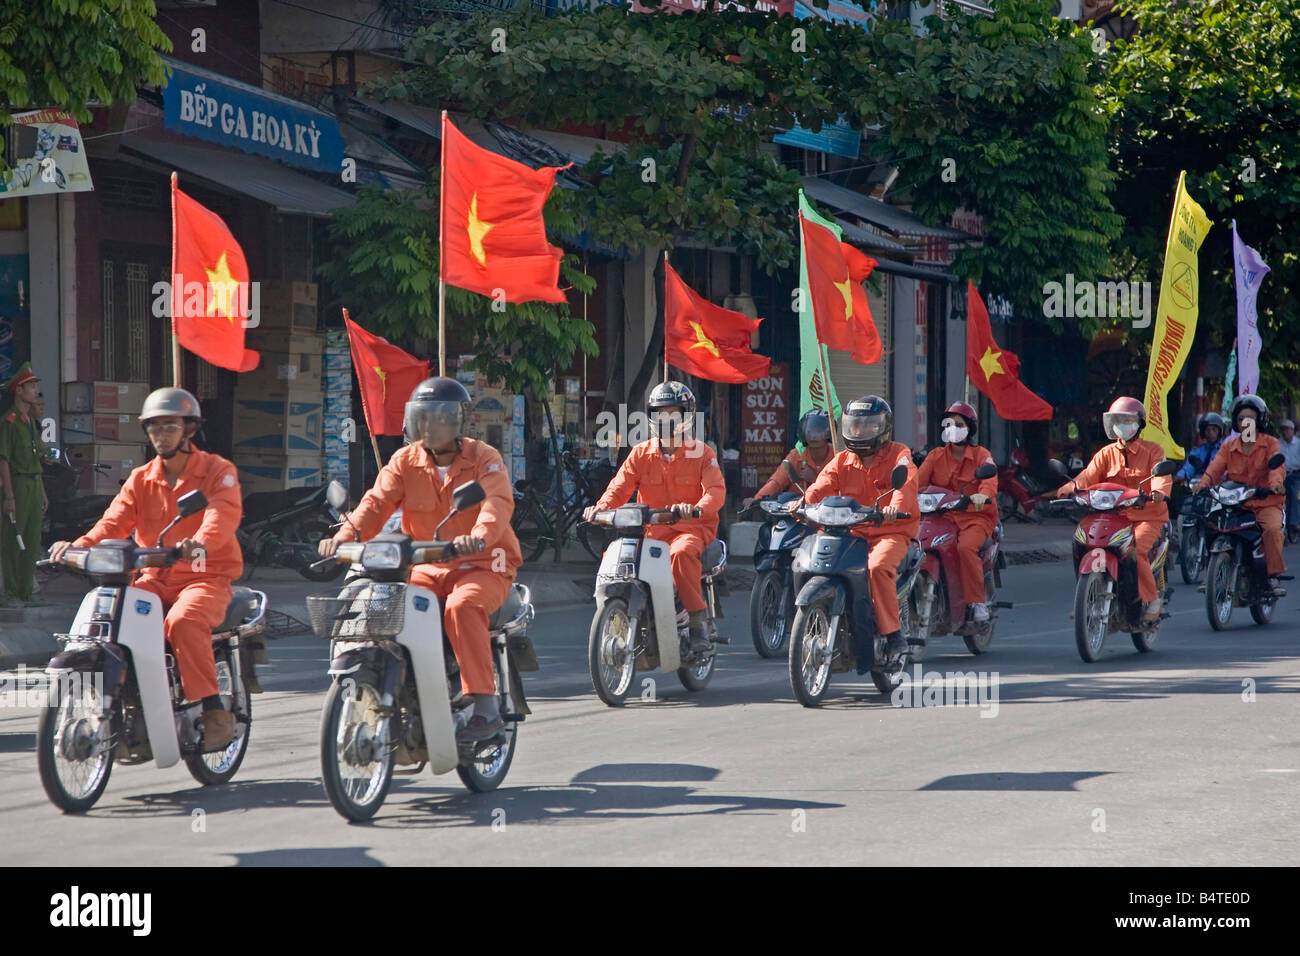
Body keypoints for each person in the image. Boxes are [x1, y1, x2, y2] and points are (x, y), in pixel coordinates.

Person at [318, 377, 522, 742]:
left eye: (440, 417)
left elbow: (497, 504)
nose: (430, 425)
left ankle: (484, 704)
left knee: (461, 606)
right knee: (392, 607)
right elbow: (376, 503)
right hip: (428, 564)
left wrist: (477, 537)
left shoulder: (484, 458)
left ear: (458, 421)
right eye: (423, 417)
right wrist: (343, 536)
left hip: (484, 563)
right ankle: (412, 685)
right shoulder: (404, 460)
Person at [48, 388, 243, 752]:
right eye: (154, 427)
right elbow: (112, 524)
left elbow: (222, 515)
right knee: (114, 617)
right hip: (153, 576)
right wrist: (78, 546)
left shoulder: (218, 471)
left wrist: (198, 541)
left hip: (205, 575)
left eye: (170, 426)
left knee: (183, 622)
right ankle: (130, 695)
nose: (161, 435)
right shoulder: (141, 478)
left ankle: (214, 710)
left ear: (189, 429)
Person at [585, 381, 726, 655]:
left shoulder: (703, 453)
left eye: (673, 414)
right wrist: (600, 509)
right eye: (660, 414)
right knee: (616, 557)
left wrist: (696, 507)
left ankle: (697, 623)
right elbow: (619, 488)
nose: (667, 420)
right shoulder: (641, 453)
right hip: (651, 531)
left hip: (692, 529)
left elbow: (716, 492)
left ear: (686, 417)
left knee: (681, 554)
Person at [799, 395, 919, 664]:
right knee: (810, 560)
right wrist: (804, 503)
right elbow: (822, 484)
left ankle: (892, 634)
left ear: (883, 428)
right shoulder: (842, 459)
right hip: (850, 531)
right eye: (855, 425)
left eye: (868, 426)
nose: (860, 431)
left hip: (890, 530)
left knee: (877, 568)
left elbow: (905, 487)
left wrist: (892, 508)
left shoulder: (900, 454)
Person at [1056, 396, 1172, 624]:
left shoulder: (1153, 451)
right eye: (1117, 420)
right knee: (1085, 540)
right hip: (1112, 518)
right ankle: (1088, 598)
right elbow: (1087, 477)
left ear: (1139, 423)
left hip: (1147, 517)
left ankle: (1152, 599)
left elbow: (1161, 477)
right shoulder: (1105, 453)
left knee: (1135, 548)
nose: (1121, 425)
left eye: (1127, 420)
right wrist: (1068, 489)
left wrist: (1159, 491)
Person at [916, 401, 999, 623]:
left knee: (965, 548)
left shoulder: (981, 454)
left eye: (959, 423)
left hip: (976, 517)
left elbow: (989, 481)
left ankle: (977, 602)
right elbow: (917, 483)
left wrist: (983, 495)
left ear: (969, 428)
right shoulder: (935, 456)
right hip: (942, 518)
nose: (953, 428)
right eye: (949, 423)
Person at [1197, 395, 1287, 594]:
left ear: (1259, 420)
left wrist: (1275, 485)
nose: (1245, 423)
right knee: (1211, 523)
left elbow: (1277, 467)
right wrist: (1202, 484)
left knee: (1271, 530)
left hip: (1265, 501)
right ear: (1236, 423)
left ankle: (1272, 576)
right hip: (1236, 503)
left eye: (1250, 418)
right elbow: (1215, 467)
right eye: (1241, 419)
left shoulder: (1270, 443)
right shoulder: (1228, 446)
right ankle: (1211, 573)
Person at [0, 363, 48, 605]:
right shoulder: (8, 421)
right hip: (17, 486)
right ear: (19, 390)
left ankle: (25, 591)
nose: (35, 390)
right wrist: (9, 496)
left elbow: (37, 459)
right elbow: (4, 460)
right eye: (32, 386)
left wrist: (42, 491)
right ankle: (9, 592)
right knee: (12, 540)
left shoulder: (30, 422)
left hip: (33, 486)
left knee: (31, 541)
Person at [743, 408, 833, 508]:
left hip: (828, 515)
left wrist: (815, 480)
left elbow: (839, 492)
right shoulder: (796, 455)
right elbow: (776, 482)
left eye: (818, 431)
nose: (813, 436)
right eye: (809, 431)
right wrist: (757, 499)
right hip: (796, 512)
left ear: (829, 433)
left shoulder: (837, 459)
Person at [1277, 418, 1300, 536]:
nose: (1285, 432)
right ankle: (1279, 522)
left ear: (1292, 430)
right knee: (1277, 495)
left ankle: (1293, 523)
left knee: (1295, 496)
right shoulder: (1278, 443)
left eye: (1287, 429)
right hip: (1281, 474)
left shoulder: (1298, 443)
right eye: (1283, 430)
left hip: (1296, 474)